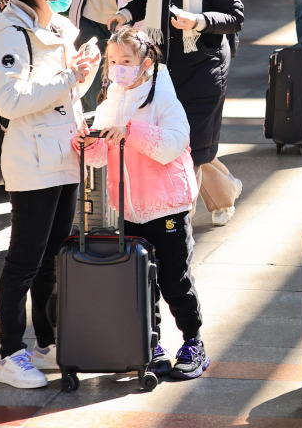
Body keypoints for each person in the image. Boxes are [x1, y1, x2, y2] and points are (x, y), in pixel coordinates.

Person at [0, 0, 99, 389]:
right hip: (33, 158)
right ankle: (10, 352)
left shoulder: (55, 26)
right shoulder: (12, 35)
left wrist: (82, 72)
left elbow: (67, 93)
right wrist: (69, 79)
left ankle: (46, 341)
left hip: (62, 152)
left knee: (51, 256)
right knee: (24, 261)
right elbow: (10, 102)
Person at [76, 28, 209, 378]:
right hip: (129, 208)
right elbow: (101, 157)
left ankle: (193, 340)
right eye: (113, 61)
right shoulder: (111, 100)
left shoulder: (163, 98)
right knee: (140, 279)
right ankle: (152, 342)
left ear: (146, 63)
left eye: (126, 61)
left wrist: (132, 132)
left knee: (173, 277)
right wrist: (88, 145)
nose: (118, 68)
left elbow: (173, 144)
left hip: (166, 207)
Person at [111, 0, 245, 225]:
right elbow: (148, 0)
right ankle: (226, 194)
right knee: (181, 145)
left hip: (204, 67)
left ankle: (178, 226)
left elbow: (235, 16)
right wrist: (126, 13)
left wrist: (198, 20)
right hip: (165, 70)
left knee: (192, 148)